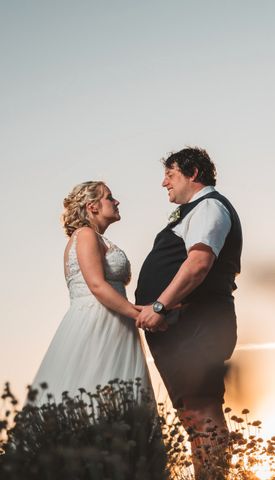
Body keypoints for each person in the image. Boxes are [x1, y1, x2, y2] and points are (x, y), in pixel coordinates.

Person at [135, 147, 242, 472]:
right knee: (192, 413)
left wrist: (159, 305)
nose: (164, 183)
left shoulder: (209, 207)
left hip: (198, 324)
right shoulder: (195, 211)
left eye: (170, 174)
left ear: (193, 173)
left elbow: (198, 263)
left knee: (202, 407)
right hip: (182, 326)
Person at [31, 181, 151, 403]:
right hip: (99, 322)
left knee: (114, 394)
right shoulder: (85, 234)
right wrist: (140, 315)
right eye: (109, 197)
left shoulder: (94, 237)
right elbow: (96, 285)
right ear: (92, 206)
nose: (117, 202)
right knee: (96, 388)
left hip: (115, 320)